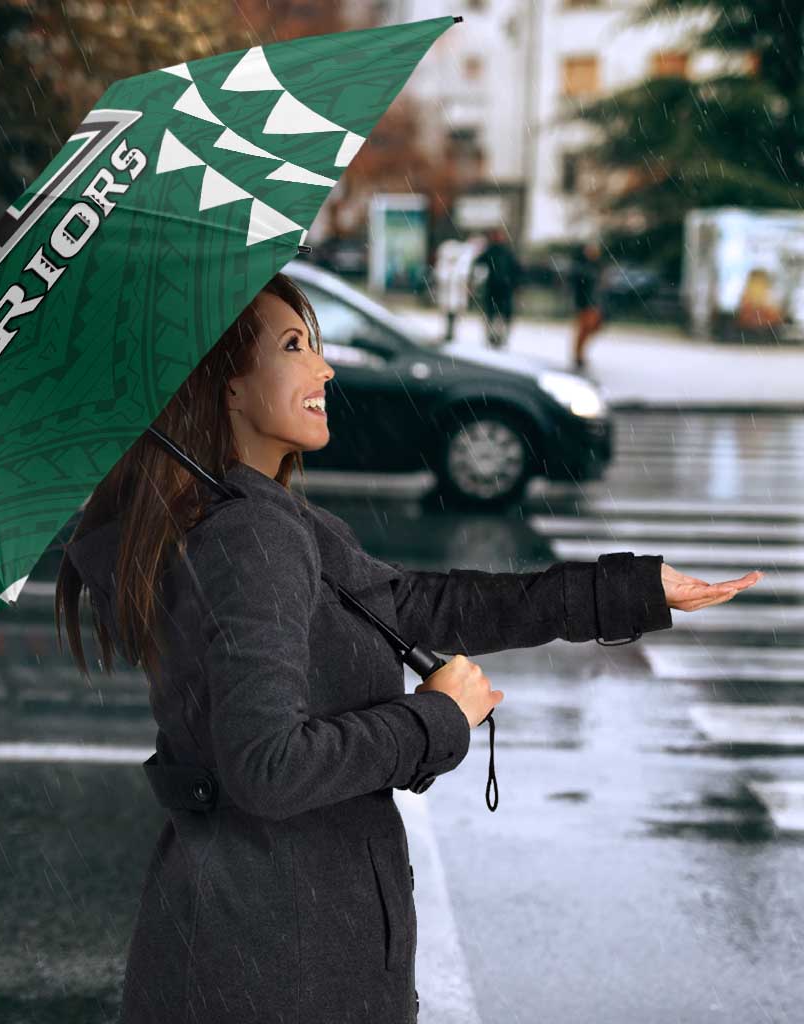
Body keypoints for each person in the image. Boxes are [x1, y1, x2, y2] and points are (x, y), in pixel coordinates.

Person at [55, 272, 755, 1024]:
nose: (324, 368)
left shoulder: (254, 517)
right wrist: (436, 719)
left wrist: (629, 591)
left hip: (259, 940)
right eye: (294, 347)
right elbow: (267, 768)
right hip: (280, 963)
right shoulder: (249, 537)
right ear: (225, 386)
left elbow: (420, 605)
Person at [472, 226, 522, 349]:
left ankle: (499, 337)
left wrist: (515, 284)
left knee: (500, 315)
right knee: (493, 314)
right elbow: (478, 264)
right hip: (495, 288)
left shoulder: (505, 252)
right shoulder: (492, 251)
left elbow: (516, 270)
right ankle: (493, 337)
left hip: (503, 288)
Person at [570, 239, 606, 370]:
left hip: (594, 303)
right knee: (584, 329)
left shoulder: (597, 266)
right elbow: (579, 286)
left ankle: (579, 354)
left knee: (592, 328)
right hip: (585, 303)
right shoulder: (582, 267)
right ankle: (578, 355)